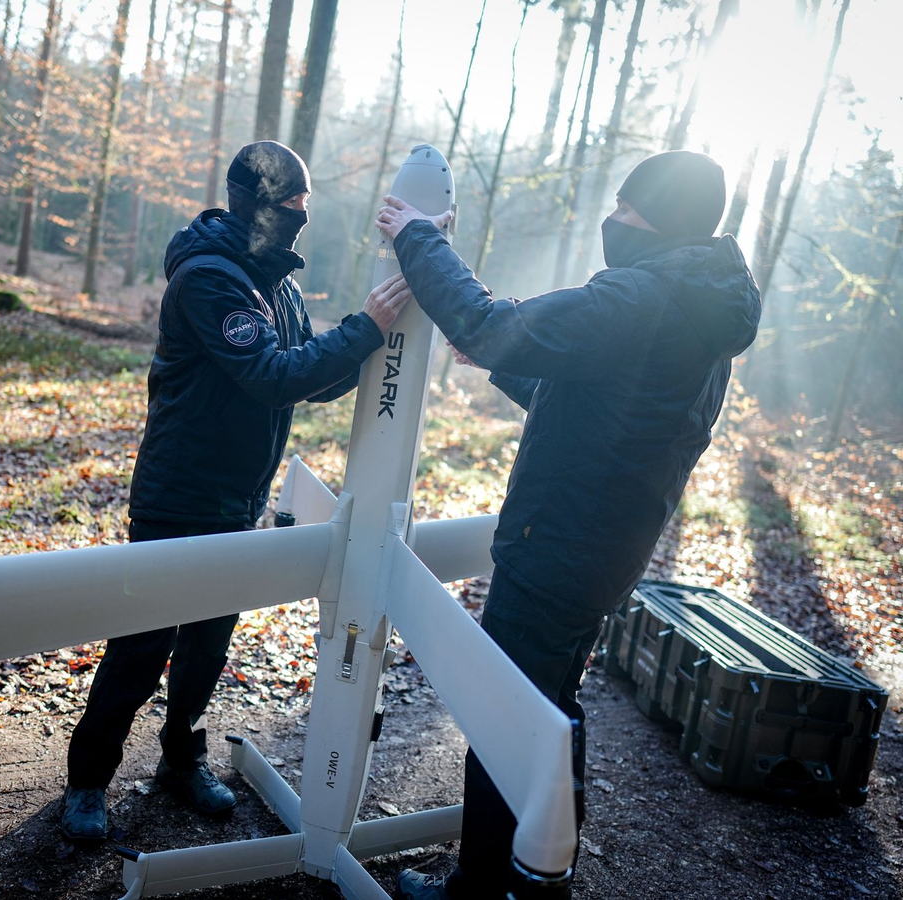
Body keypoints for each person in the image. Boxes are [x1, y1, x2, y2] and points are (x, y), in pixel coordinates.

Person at [376, 150, 761, 899]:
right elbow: (613, 409)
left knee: (507, 716)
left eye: (628, 209)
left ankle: (487, 888)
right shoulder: (701, 306)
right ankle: (534, 875)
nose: (613, 220)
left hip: (556, 546)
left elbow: (492, 324)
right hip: (602, 551)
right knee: (546, 710)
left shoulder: (642, 295)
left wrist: (419, 236)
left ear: (663, 221)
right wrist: (504, 360)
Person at [61, 140, 415, 840]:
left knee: (207, 647)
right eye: (292, 206)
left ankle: (180, 761)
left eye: (307, 206)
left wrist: (372, 340)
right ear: (255, 205)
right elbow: (272, 377)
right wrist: (364, 328)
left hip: (237, 501)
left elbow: (307, 373)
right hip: (177, 498)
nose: (301, 218)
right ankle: (88, 781)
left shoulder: (275, 282)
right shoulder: (209, 279)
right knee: (141, 647)